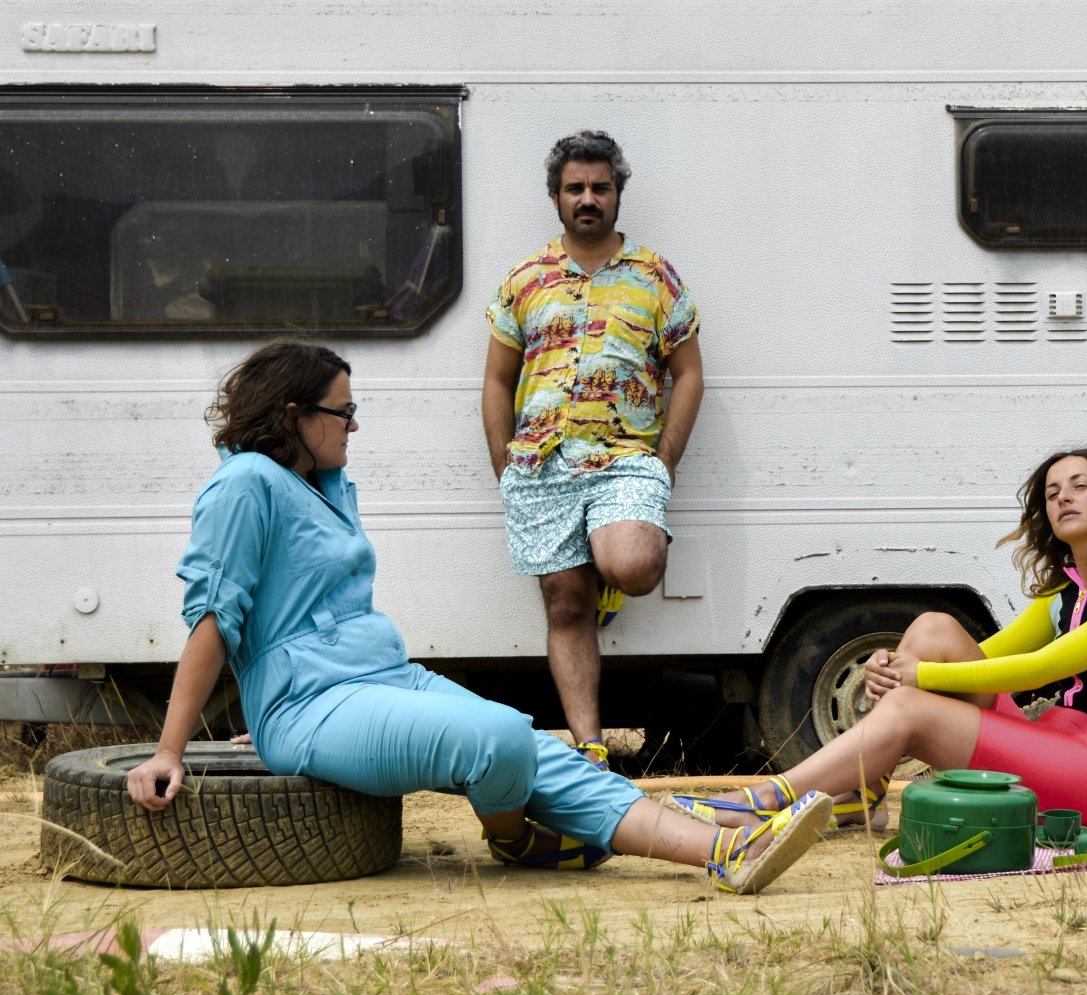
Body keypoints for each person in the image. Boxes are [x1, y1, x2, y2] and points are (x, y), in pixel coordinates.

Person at [125, 342, 826, 894]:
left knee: (541, 750)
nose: (354, 424)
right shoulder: (244, 483)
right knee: (497, 738)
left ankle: (727, 851)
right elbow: (216, 619)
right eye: (342, 411)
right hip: (309, 706)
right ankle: (516, 839)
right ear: (292, 415)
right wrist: (171, 751)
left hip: (380, 680)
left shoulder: (326, 485)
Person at [667, 449, 1087, 830]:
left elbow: (1040, 669)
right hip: (1054, 742)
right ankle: (860, 795)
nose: (1062, 496)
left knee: (913, 705)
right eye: (1051, 492)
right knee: (934, 626)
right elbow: (990, 657)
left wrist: (922, 679)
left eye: (1080, 485)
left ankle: (767, 798)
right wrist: (892, 667)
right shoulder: (1066, 594)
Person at [480, 130, 703, 771]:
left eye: (600, 187)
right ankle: (590, 747)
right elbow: (496, 382)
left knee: (632, 565)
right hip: (541, 467)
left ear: (617, 194)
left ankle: (616, 545)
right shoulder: (524, 280)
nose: (588, 199)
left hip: (625, 461)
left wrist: (663, 462)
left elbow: (689, 374)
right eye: (575, 188)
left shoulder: (655, 276)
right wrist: (506, 468)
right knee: (565, 604)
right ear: (555, 197)